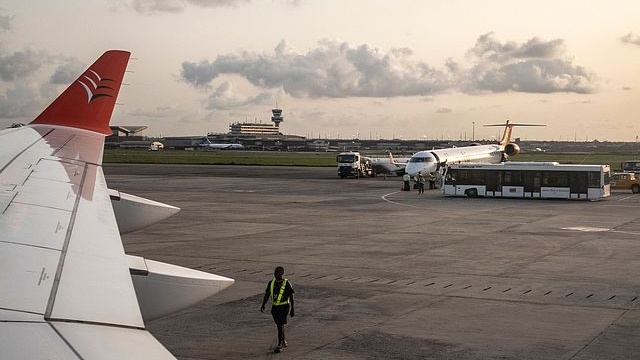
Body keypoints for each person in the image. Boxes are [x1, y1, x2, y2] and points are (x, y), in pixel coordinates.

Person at [261, 266, 295, 353]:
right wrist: (263, 304)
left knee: (280, 326)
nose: (275, 275)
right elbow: (267, 294)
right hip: (275, 308)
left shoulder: (287, 283)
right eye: (275, 273)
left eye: (277, 273)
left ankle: (280, 345)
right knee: (279, 325)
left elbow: (291, 297)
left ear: (282, 274)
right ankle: (283, 341)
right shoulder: (271, 283)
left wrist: (292, 309)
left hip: (284, 307)